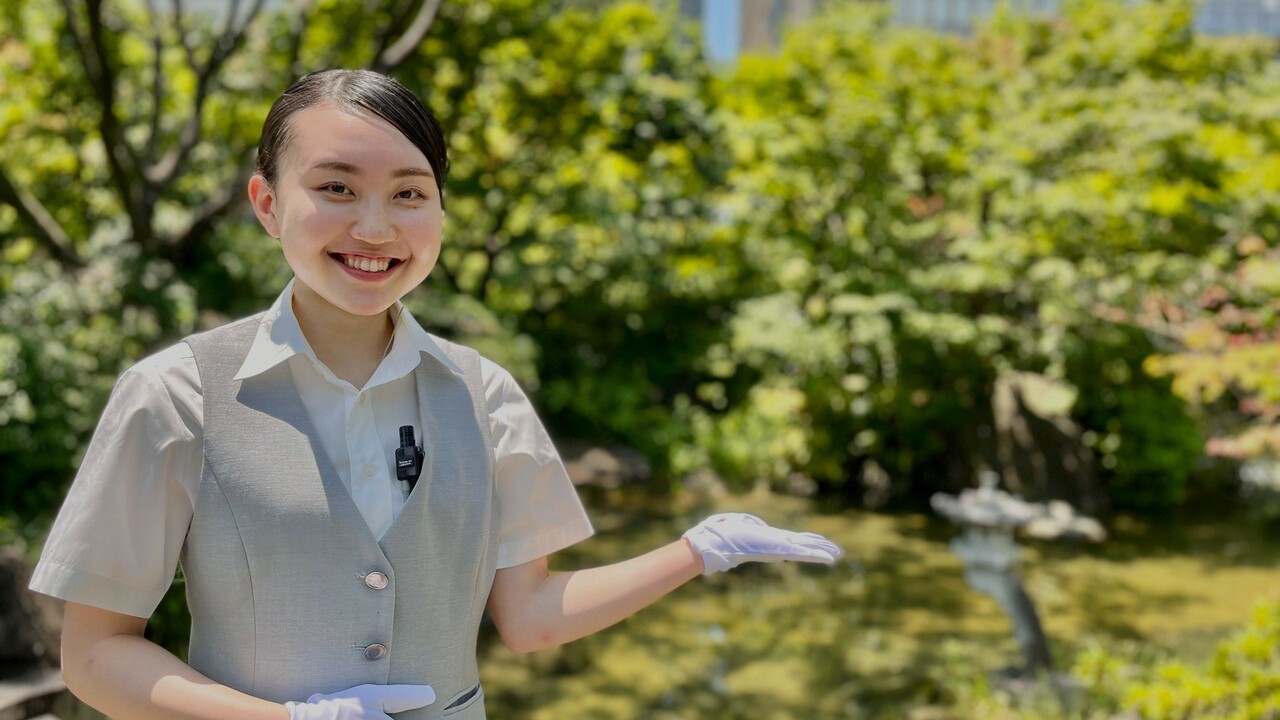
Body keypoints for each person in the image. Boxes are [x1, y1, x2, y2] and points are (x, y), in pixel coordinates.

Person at [28, 69, 843, 720]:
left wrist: (700, 549)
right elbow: (94, 656)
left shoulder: (485, 394)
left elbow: (530, 616)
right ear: (269, 205)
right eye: (337, 189)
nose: (377, 229)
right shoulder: (173, 394)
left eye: (410, 194)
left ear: (441, 216)